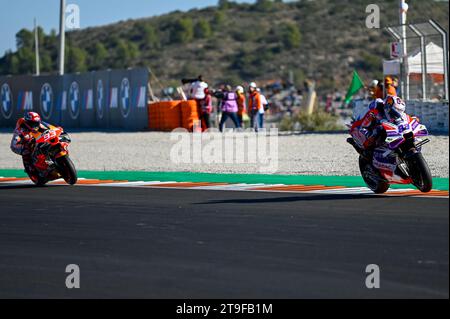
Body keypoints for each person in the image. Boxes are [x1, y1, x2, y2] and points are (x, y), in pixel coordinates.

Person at [10, 112, 59, 179]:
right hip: (17, 144)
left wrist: (54, 129)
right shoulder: (21, 124)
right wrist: (22, 138)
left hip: (31, 135)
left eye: (36, 123)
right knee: (26, 149)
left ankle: (48, 159)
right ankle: (30, 168)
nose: (35, 125)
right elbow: (18, 136)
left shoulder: (38, 123)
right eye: (32, 123)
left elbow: (46, 126)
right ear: (27, 122)